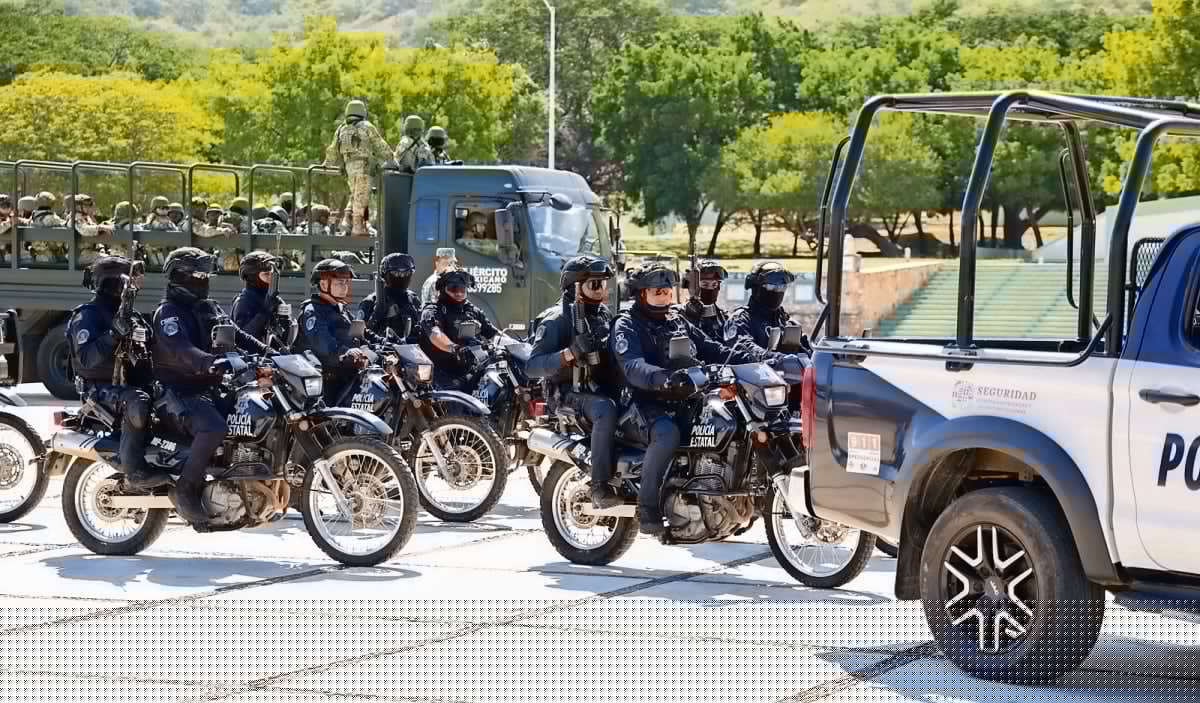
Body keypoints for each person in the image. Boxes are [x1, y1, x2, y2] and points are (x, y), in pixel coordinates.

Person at [610, 263, 792, 536]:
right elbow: (633, 366)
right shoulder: (627, 324)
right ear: (640, 294)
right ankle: (647, 508)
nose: (665, 297)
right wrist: (664, 377)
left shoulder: (675, 319)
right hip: (641, 401)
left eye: (667, 291)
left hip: (683, 397)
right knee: (666, 434)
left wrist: (760, 360)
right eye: (658, 292)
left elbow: (713, 348)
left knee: (728, 422)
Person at [152, 247, 269, 525]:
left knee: (255, 412)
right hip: (178, 391)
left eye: (206, 274)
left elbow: (237, 335)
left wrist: (270, 353)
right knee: (213, 427)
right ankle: (186, 490)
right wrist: (210, 363)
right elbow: (182, 350)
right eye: (199, 274)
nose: (204, 280)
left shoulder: (208, 306)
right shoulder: (168, 313)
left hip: (209, 388)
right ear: (181, 276)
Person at [527, 255, 622, 508]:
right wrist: (568, 354)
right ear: (574, 287)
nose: (601, 290)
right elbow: (532, 366)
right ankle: (599, 485)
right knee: (605, 410)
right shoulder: (557, 318)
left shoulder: (601, 313)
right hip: (568, 392)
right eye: (594, 284)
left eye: (603, 284)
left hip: (599, 384)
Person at [67, 255, 166, 490]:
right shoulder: (89, 314)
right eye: (130, 280)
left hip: (133, 384)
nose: (136, 285)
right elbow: (87, 359)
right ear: (115, 283)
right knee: (138, 401)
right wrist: (112, 335)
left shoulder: (132, 315)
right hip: (101, 390)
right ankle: (135, 471)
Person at [293, 258, 370, 405]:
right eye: (339, 283)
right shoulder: (313, 311)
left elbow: (362, 332)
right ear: (323, 284)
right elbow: (323, 344)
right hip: (325, 381)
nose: (344, 287)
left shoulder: (341, 309)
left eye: (346, 282)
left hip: (346, 373)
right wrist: (345, 352)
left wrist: (383, 345)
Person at [417, 268, 498, 389]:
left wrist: (514, 346)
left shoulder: (472, 310)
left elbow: (493, 334)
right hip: (441, 373)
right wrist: (454, 348)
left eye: (462, 289)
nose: (459, 293)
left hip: (472, 371)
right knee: (455, 404)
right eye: (453, 289)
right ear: (442, 289)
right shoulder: (433, 311)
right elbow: (435, 334)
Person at [323, 99, 393, 237]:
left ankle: (347, 222)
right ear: (363, 113)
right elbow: (380, 145)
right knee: (361, 197)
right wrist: (391, 158)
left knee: (355, 195)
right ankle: (358, 228)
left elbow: (332, 149)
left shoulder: (341, 129)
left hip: (349, 167)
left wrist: (327, 163)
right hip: (363, 167)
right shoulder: (367, 126)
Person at [731, 261, 810, 352]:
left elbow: (809, 355)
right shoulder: (741, 320)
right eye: (771, 286)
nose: (777, 290)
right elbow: (743, 347)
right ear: (756, 287)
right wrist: (774, 358)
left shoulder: (787, 322)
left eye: (781, 286)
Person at [357, 253, 421, 344]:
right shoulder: (370, 301)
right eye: (396, 273)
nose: (401, 277)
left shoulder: (412, 299)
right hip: (379, 351)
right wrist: (376, 316)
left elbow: (421, 330)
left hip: (408, 350)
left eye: (406, 273)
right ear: (384, 274)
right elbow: (359, 334)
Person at [675, 260, 737, 343]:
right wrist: (691, 319)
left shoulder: (723, 317)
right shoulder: (677, 314)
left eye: (714, 285)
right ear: (691, 287)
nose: (710, 289)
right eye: (704, 284)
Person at [231, 251, 286, 345]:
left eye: (271, 274)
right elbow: (243, 339)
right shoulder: (244, 302)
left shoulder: (273, 299)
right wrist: (264, 311)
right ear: (253, 277)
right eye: (266, 275)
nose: (270, 278)